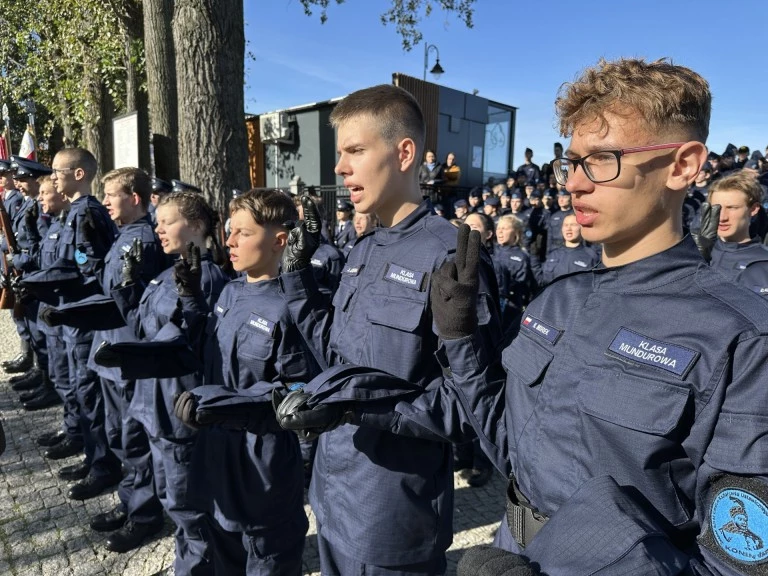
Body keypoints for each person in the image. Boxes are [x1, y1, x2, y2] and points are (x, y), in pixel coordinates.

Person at [444, 57, 768, 574]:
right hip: (507, 549)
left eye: (601, 160)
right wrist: (460, 339)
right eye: (571, 163)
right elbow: (511, 450)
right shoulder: (558, 301)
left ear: (682, 165)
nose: (574, 184)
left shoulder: (741, 337)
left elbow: (732, 564)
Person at [274, 84, 501, 574]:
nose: (340, 168)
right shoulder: (365, 248)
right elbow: (337, 358)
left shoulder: (451, 257)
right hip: (334, 496)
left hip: (392, 513)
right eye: (340, 154)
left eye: (355, 151)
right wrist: (296, 281)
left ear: (403, 153)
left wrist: (356, 406)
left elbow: (470, 409)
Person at [101, 190, 230, 574]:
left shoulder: (203, 276)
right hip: (154, 403)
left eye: (167, 221)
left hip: (177, 407)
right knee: (170, 495)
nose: (157, 228)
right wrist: (128, 287)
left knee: (187, 504)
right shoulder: (168, 272)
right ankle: (186, 562)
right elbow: (142, 326)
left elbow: (182, 341)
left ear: (195, 226)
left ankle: (199, 567)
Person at [22, 148, 123, 503]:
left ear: (78, 174)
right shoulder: (72, 214)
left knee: (88, 392)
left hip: (82, 317)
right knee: (78, 389)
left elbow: (90, 272)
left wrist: (41, 280)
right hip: (68, 315)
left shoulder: (88, 213)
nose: (53, 177)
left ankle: (103, 465)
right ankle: (92, 454)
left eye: (58, 171)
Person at [708, 170, 768, 297]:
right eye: (716, 208)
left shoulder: (764, 261)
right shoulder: (695, 255)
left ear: (753, 209)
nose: (722, 217)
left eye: (732, 208)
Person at [535, 212, 599, 287]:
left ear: (581, 228)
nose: (568, 228)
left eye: (573, 225)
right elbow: (542, 280)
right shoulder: (554, 254)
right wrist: (534, 257)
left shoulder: (591, 256)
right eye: (565, 225)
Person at [493, 215, 534, 331]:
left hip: (510, 307)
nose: (500, 231)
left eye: (505, 228)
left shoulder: (521, 256)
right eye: (498, 228)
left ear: (516, 232)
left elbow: (520, 284)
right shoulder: (490, 251)